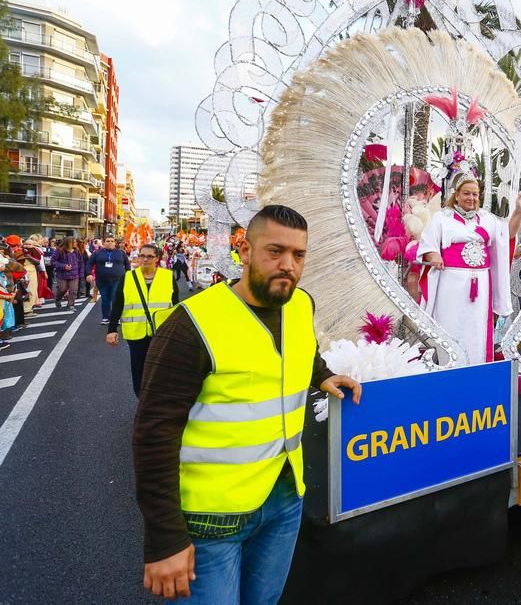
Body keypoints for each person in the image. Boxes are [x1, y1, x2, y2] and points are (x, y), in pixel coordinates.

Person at [133, 205, 362, 602]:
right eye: (275, 251)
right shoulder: (192, 325)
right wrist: (165, 538)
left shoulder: (300, 304)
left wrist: (321, 375)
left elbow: (297, 351)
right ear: (245, 251)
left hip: (284, 498)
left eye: (298, 255)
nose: (288, 265)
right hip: (211, 519)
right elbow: (153, 433)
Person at [418, 177, 521, 365]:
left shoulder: (486, 218)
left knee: (476, 329)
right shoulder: (442, 217)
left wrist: (519, 210)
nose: (471, 198)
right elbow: (428, 245)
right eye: (466, 193)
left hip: (481, 286)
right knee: (450, 326)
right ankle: (448, 370)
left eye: (475, 194)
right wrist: (433, 255)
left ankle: (475, 370)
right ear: (457, 195)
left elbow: (508, 234)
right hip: (450, 283)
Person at [107, 244, 179, 396]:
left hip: (161, 332)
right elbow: (118, 303)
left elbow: (177, 306)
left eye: (149, 256)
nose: (145, 259)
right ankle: (142, 400)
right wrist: (112, 330)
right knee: (139, 369)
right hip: (136, 333)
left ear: (157, 258)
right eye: (142, 256)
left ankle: (157, 400)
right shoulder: (128, 277)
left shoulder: (167, 276)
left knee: (160, 369)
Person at [88, 236, 131, 324]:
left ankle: (116, 317)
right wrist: (88, 274)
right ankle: (105, 317)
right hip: (102, 280)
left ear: (115, 243)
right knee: (105, 299)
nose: (110, 242)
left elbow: (127, 265)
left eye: (112, 241)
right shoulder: (97, 253)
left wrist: (128, 276)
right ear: (103, 243)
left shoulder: (121, 253)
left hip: (117, 280)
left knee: (115, 299)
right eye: (108, 241)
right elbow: (89, 264)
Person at [51, 237, 83, 310]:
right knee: (62, 289)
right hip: (62, 274)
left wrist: (81, 274)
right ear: (69, 243)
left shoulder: (77, 251)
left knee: (73, 290)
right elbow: (53, 261)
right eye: (74, 242)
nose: (76, 243)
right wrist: (63, 266)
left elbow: (81, 263)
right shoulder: (59, 250)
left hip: (74, 274)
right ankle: (58, 299)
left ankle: (70, 305)